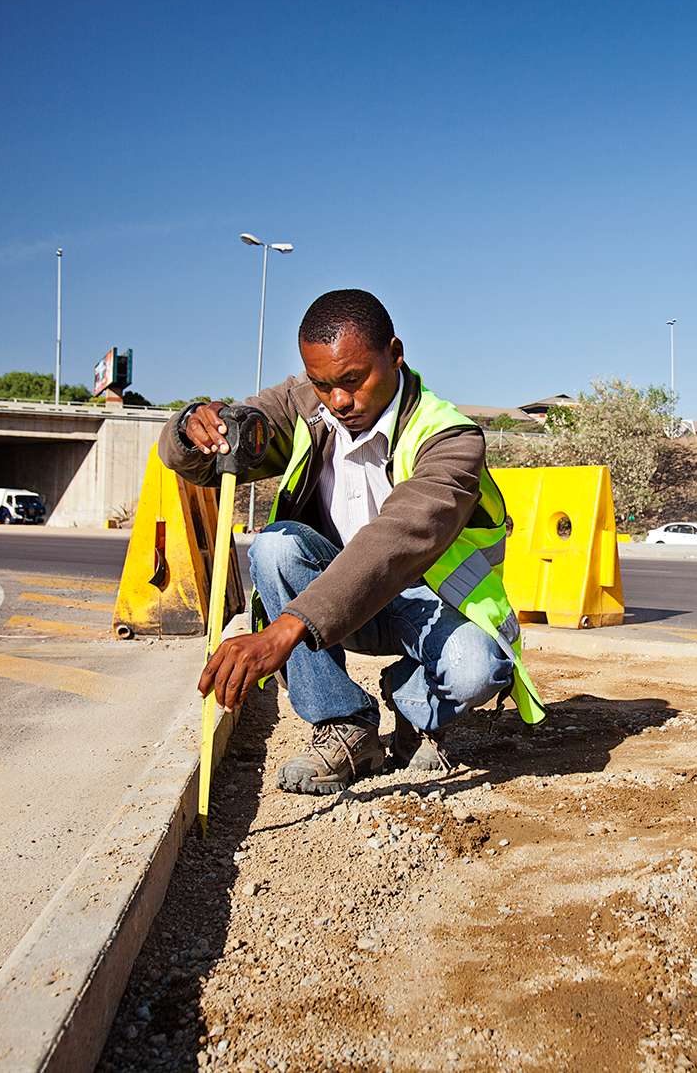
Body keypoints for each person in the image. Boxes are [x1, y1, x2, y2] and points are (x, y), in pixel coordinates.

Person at [160, 289, 544, 793]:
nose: (339, 401)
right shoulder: (303, 406)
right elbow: (208, 456)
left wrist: (287, 629)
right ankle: (346, 728)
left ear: (395, 353)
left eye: (352, 381)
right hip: (341, 605)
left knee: (475, 669)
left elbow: (395, 540)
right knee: (276, 547)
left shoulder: (451, 438)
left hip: (430, 603)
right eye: (323, 385)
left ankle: (414, 705)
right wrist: (193, 430)